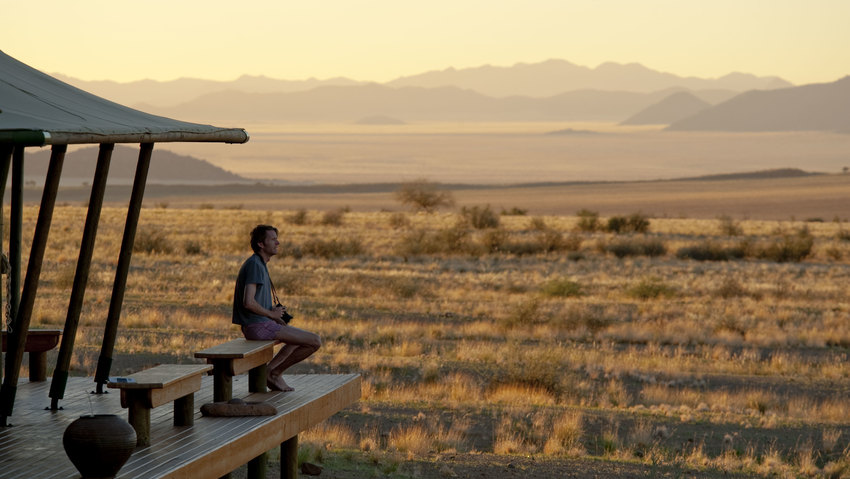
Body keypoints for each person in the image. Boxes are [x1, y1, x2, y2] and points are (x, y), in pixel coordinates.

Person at [233, 224, 321, 392]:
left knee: (298, 338)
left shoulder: (258, 263)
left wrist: (272, 312)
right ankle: (273, 372)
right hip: (257, 326)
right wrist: (271, 314)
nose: (277, 243)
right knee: (314, 341)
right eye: (273, 239)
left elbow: (253, 302)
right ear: (261, 244)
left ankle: (272, 371)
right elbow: (248, 302)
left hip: (260, 323)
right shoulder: (255, 265)